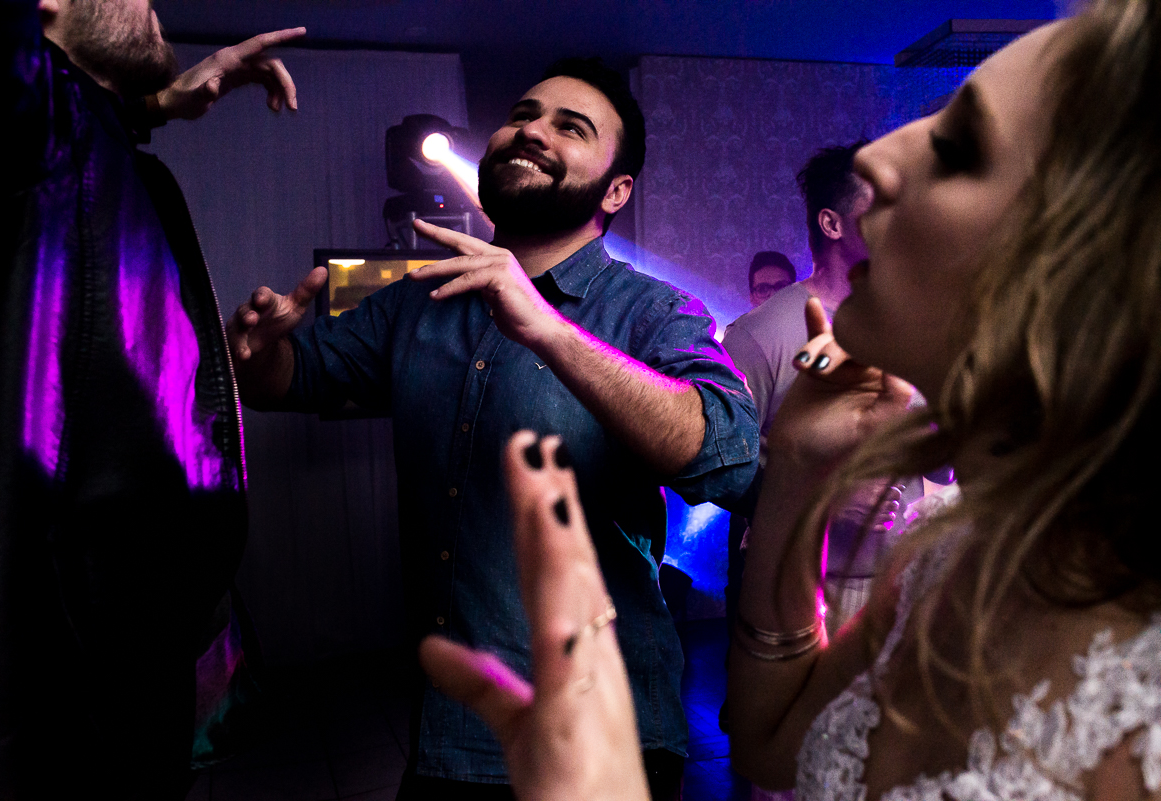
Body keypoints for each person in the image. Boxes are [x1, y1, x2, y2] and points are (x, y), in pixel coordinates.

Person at [426, 2, 1160, 799]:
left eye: (957, 148)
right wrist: (799, 472)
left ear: (1085, 256)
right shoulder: (951, 555)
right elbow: (772, 745)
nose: (877, 155)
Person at [227, 58, 759, 800]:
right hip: (451, 734)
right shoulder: (417, 300)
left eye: (571, 128)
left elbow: (730, 459)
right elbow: (291, 378)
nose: (532, 131)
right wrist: (258, 352)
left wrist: (549, 329)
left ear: (616, 191)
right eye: (523, 115)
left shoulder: (654, 312)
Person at [0, 1, 305, 797]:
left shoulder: (110, 156)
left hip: (132, 660)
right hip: (57, 685)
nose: (157, 7)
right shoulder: (39, 125)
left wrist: (149, 106)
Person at [723, 141, 904, 637]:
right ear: (832, 223)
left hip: (908, 579)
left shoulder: (913, 320)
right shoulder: (760, 335)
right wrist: (827, 498)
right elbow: (721, 465)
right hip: (807, 586)